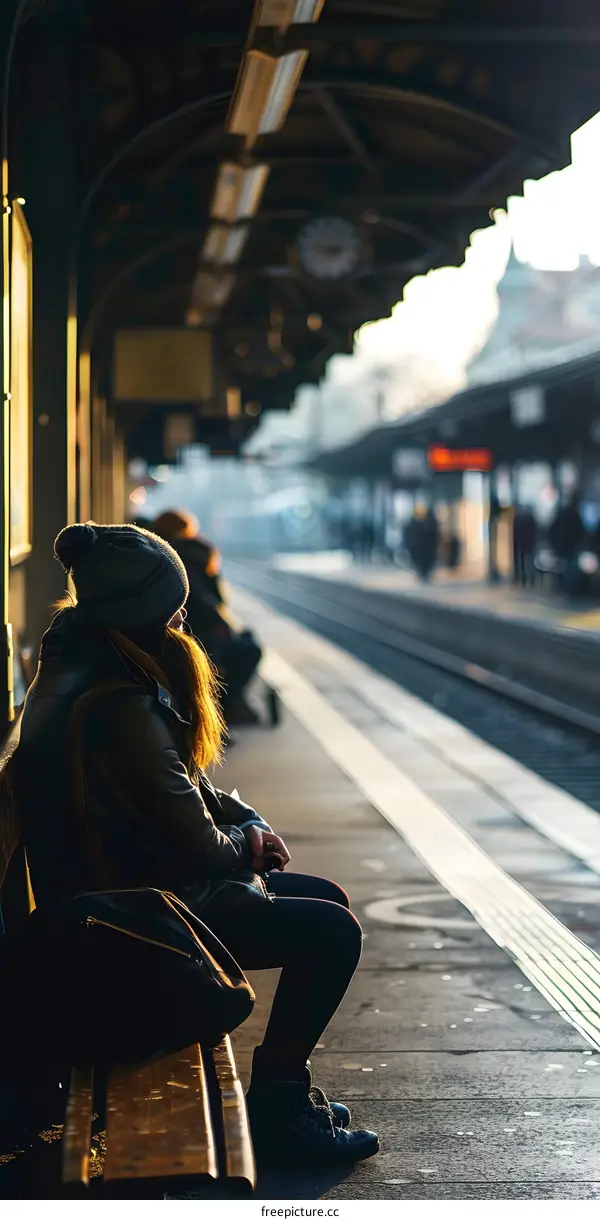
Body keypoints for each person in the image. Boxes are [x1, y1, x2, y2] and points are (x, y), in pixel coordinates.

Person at [10, 522, 378, 1167]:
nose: (184, 614)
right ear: (147, 611)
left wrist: (248, 824)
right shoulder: (121, 705)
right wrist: (246, 846)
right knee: (331, 931)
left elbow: (187, 787)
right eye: (173, 604)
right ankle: (281, 1111)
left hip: (123, 891)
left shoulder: (86, 669)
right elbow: (199, 848)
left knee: (325, 898)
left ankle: (283, 1093)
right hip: (130, 918)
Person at [152, 509, 261, 726]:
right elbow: (206, 604)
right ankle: (224, 712)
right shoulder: (193, 555)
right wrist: (223, 626)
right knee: (248, 650)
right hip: (200, 637)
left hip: (180, 635)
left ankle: (226, 710)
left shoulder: (155, 556)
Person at [404, 505, 439, 582]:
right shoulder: (418, 524)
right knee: (422, 563)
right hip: (420, 547)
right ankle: (424, 576)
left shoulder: (426, 523)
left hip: (422, 547)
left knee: (423, 563)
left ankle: (424, 576)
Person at [512, 507, 537, 588]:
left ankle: (523, 579)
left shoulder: (518, 519)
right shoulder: (531, 520)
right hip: (530, 544)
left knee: (522, 563)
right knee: (530, 562)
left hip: (521, 544)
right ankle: (531, 579)